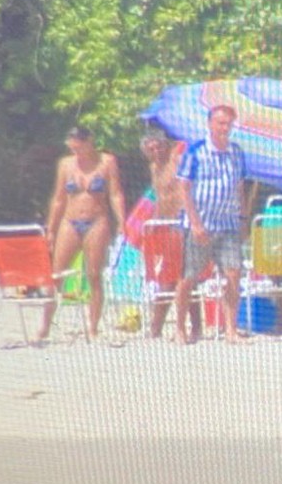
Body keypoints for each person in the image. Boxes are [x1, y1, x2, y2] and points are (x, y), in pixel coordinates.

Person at [40, 126, 126, 340]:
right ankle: (45, 326)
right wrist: (51, 229)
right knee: (56, 275)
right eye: (73, 148)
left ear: (90, 142)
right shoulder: (65, 164)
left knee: (94, 275)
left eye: (79, 147)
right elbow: (59, 199)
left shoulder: (107, 162)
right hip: (70, 221)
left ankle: (93, 327)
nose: (76, 152)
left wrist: (122, 221)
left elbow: (115, 194)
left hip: (97, 220)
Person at [173, 105, 249, 345]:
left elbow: (240, 187)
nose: (225, 128)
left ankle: (231, 329)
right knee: (189, 277)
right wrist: (195, 223)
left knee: (233, 273)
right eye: (220, 123)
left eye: (228, 124)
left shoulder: (236, 153)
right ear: (210, 124)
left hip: (228, 224)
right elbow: (184, 189)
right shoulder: (195, 152)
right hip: (201, 224)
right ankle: (179, 328)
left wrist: (243, 218)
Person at [139, 129, 202, 339]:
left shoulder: (177, 157)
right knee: (180, 277)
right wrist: (154, 222)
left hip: (183, 222)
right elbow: (161, 197)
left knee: (175, 277)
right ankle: (194, 327)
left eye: (159, 147)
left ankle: (157, 328)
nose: (156, 152)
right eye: (151, 149)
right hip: (165, 224)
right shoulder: (154, 167)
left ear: (166, 145)